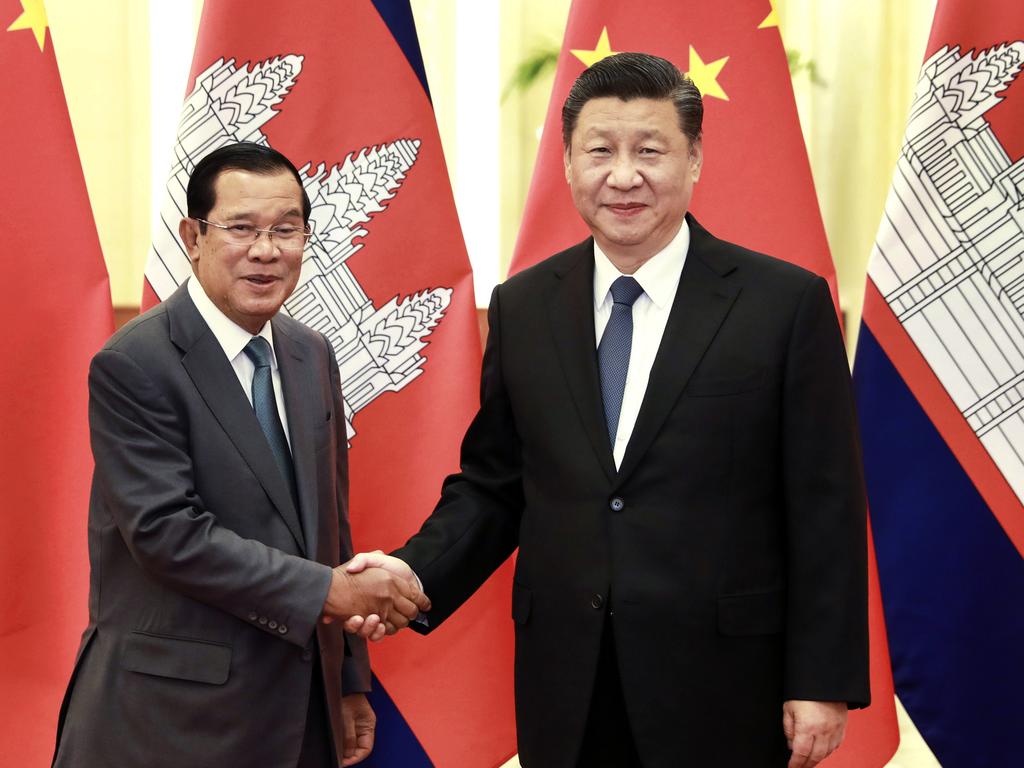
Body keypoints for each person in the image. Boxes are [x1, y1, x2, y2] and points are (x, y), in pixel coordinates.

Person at [346, 53, 869, 767]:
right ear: (566, 164)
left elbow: (825, 506)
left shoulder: (783, 305)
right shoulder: (525, 307)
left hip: (725, 687)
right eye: (600, 151)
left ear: (695, 160)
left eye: (649, 151)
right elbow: (496, 486)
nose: (623, 176)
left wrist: (822, 681)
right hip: (569, 683)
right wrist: (411, 576)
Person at [51, 142, 430, 768]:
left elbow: (328, 526)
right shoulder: (135, 364)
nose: (265, 250)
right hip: (169, 721)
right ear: (193, 237)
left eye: (286, 230)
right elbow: (168, 535)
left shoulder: (311, 354)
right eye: (241, 228)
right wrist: (328, 594)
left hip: (297, 712)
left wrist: (347, 679)